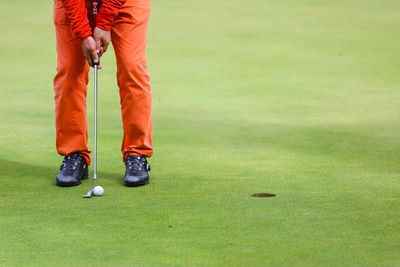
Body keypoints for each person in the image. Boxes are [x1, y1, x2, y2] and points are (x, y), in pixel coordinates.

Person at [53, 0, 152, 187]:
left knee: (132, 69)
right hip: (73, 5)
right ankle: (74, 154)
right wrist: (83, 33)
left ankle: (137, 153)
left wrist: (104, 22)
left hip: (126, 4)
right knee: (69, 71)